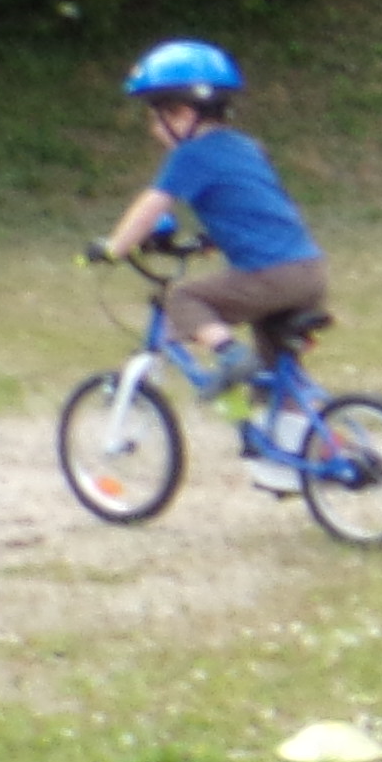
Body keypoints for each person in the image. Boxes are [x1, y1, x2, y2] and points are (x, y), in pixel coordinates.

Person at [92, 40, 331, 493]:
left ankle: (226, 353)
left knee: (186, 297)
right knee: (277, 372)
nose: (154, 128)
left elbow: (152, 204)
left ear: (183, 113)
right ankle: (303, 458)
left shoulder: (191, 155)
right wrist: (206, 239)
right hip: (308, 270)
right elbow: (251, 205)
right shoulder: (245, 147)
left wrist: (115, 247)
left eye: (156, 115)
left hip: (272, 275)